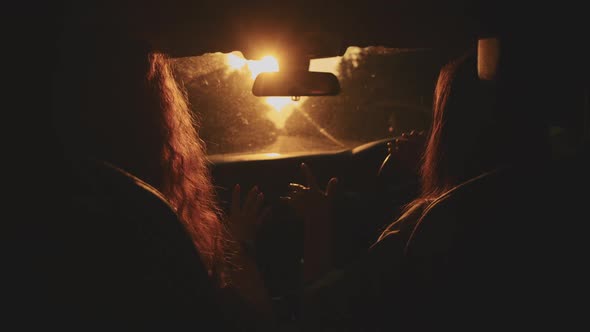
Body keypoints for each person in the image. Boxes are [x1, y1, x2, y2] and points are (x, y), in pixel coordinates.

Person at [280, 47, 555, 330]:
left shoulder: (433, 222)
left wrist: (317, 220)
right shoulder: (550, 194)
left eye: (436, 118)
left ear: (452, 129)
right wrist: (428, 170)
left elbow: (319, 313)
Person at [43, 23, 274, 328]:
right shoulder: (148, 216)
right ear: (154, 117)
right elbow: (256, 321)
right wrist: (243, 246)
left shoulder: (47, 205)